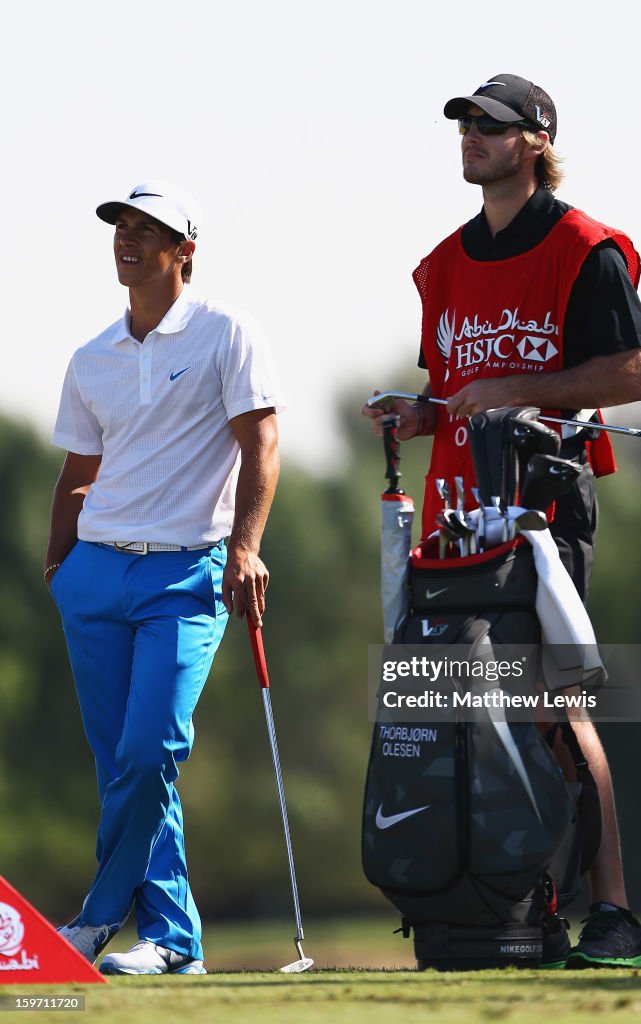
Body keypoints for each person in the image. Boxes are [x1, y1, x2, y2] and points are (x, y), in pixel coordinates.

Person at [362, 74, 641, 969]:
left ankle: (614, 915)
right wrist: (420, 414)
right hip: (455, 520)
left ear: (534, 141)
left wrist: (512, 390)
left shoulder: (584, 248)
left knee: (550, 704)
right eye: (463, 125)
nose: (470, 136)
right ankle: (516, 906)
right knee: (465, 709)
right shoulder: (444, 263)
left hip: (543, 512)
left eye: (488, 125)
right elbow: (460, 396)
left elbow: (632, 376)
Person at [45, 181, 282, 976]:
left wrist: (246, 547)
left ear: (185, 251)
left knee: (150, 752)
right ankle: (174, 944)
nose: (128, 241)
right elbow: (78, 474)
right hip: (96, 575)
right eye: (121, 228)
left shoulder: (224, 333)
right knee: (124, 767)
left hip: (187, 574)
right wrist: (60, 567)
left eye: (148, 231)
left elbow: (263, 445)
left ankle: (96, 917)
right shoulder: (91, 356)